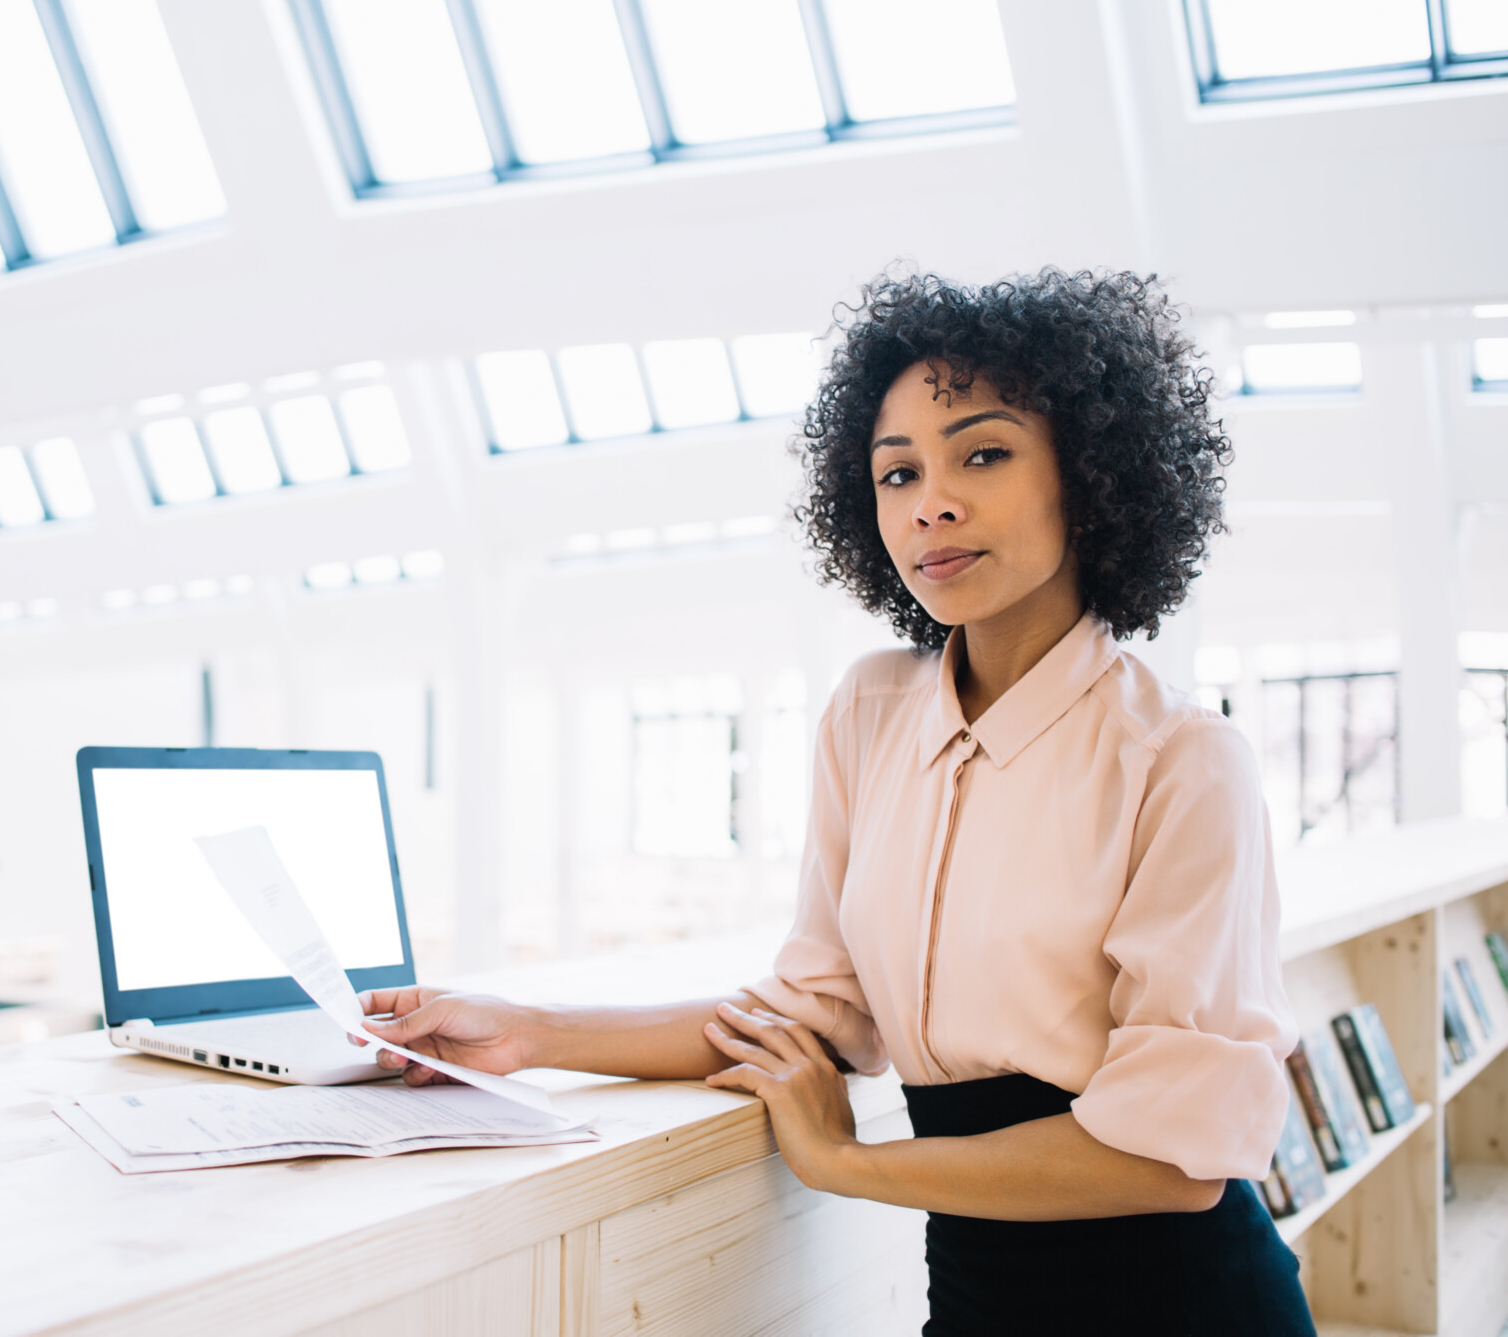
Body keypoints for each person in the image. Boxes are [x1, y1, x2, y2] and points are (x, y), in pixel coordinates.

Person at [359, 269, 1312, 1336]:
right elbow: (807, 1016)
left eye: (981, 454)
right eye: (894, 473)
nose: (929, 504)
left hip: (1178, 1305)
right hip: (977, 1297)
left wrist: (847, 1161)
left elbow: (1167, 1160)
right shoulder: (868, 713)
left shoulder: (1181, 759)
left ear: (1091, 480)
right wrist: (526, 1031)